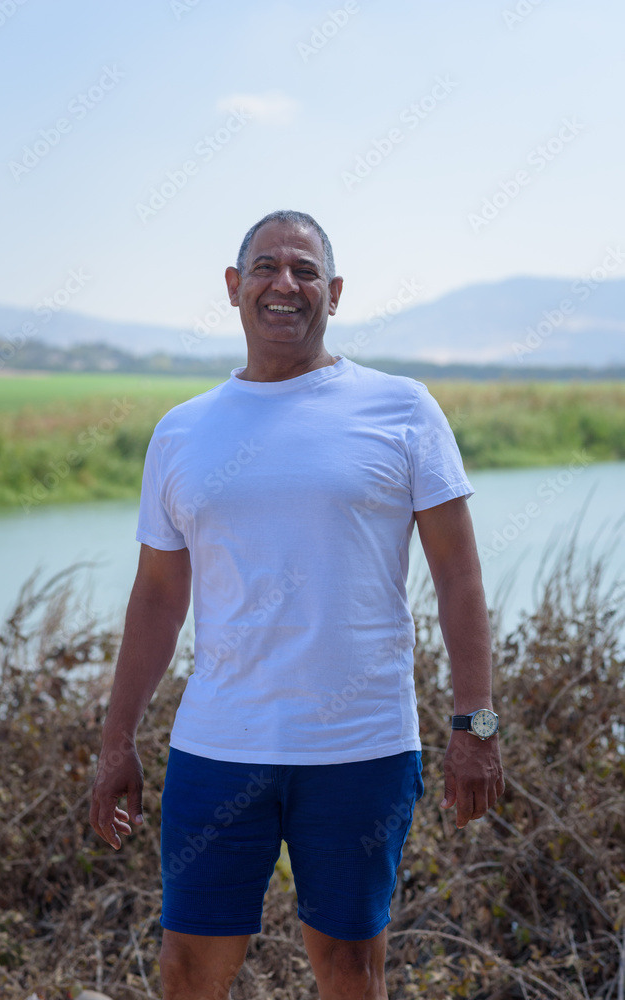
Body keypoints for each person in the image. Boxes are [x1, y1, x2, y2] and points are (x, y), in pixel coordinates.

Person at [90, 209, 505, 1000]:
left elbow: (460, 576)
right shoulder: (182, 432)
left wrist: (475, 726)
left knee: (350, 970)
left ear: (335, 293)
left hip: (363, 746)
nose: (286, 285)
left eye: (306, 271)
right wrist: (117, 741)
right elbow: (155, 596)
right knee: (188, 970)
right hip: (219, 745)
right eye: (267, 268)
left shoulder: (403, 409)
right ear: (233, 287)